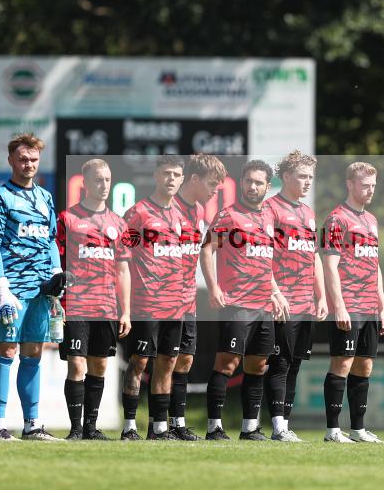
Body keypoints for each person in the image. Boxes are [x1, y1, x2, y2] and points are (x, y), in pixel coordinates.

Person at [0, 133, 64, 441]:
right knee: (7, 349)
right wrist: (0, 287)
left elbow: (51, 240)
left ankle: (32, 425)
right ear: (11, 161)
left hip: (42, 288)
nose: (28, 164)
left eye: (33, 159)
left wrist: (56, 272)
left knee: (34, 352)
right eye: (22, 159)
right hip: (12, 289)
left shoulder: (45, 198)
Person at [202, 159, 287, 441]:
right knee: (227, 364)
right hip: (236, 303)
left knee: (258, 365)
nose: (252, 186)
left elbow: (266, 263)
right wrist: (213, 287)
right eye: (248, 181)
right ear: (241, 183)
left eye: (258, 182)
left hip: (264, 305)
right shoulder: (228, 216)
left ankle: (250, 428)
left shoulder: (270, 218)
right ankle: (214, 426)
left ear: (267, 186)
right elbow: (206, 250)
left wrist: (275, 292)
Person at [58, 159, 131, 440]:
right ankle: (75, 429)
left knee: (99, 365)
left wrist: (125, 311)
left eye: (108, 180)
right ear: (85, 183)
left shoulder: (119, 224)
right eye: (98, 180)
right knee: (77, 363)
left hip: (106, 306)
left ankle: (91, 427)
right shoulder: (68, 218)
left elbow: (123, 270)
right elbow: (56, 260)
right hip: (75, 304)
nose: (104, 185)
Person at [322, 162, 384, 443]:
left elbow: (374, 266)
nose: (370, 190)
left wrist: (383, 304)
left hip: (369, 305)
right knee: (342, 362)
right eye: (365, 185)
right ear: (350, 184)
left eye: (373, 185)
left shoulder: (372, 220)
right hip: (348, 304)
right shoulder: (336, 219)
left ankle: (358, 429)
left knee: (364, 366)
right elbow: (329, 265)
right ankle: (332, 430)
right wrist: (338, 305)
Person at [119, 155, 187, 440]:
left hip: (175, 304)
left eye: (176, 174)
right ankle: (129, 426)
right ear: (157, 176)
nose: (171, 179)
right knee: (139, 362)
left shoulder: (181, 216)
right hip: (146, 303)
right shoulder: (138, 213)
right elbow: (122, 256)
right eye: (166, 173)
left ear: (182, 179)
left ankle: (159, 427)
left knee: (168, 363)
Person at [264, 151, 327, 442]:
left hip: (306, 302)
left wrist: (321, 296)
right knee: (281, 362)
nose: (307, 182)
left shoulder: (308, 213)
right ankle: (277, 426)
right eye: (302, 176)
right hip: (283, 301)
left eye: (311, 177)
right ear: (286, 177)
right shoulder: (270, 209)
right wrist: (275, 292)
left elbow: (313, 256)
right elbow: (263, 257)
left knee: (296, 363)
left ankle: (285, 424)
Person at [169, 153, 227, 440]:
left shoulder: (197, 213)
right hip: (161, 301)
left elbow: (203, 251)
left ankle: (176, 423)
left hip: (188, 299)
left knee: (185, 361)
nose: (215, 190)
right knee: (157, 362)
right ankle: (154, 424)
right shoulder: (167, 208)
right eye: (212, 184)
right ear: (193, 179)